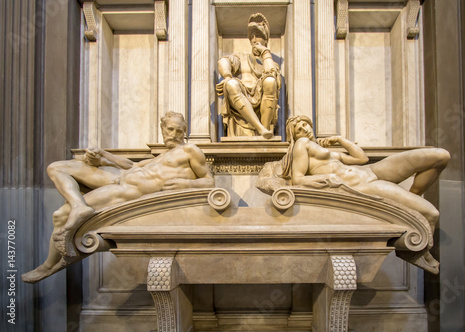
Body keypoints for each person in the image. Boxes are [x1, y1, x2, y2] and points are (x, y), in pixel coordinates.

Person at [22, 112, 215, 283]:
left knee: (61, 215)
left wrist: (187, 184)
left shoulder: (190, 150)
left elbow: (209, 181)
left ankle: (48, 265)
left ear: (185, 132)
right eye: (169, 129)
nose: (173, 135)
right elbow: (131, 166)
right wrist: (103, 157)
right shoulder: (161, 157)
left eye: (178, 131)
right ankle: (78, 205)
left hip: (127, 191)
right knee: (56, 167)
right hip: (118, 179)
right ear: (162, 129)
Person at [280, 115, 450, 272]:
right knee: (431, 214)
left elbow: (362, 159)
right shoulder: (301, 144)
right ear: (294, 136)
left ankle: (411, 204)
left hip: (371, 170)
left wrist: (340, 139)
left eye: (305, 124)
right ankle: (421, 251)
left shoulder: (324, 151)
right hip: (362, 185)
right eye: (299, 129)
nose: (305, 129)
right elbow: (298, 179)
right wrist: (327, 177)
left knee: (440, 156)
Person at [216, 13, 281, 139]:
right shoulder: (241, 56)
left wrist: (265, 52)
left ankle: (265, 128)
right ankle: (260, 129)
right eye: (252, 36)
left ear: (266, 40)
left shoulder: (270, 62)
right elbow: (223, 62)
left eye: (259, 36)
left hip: (262, 96)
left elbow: (272, 74)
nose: (255, 39)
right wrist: (228, 75)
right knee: (231, 84)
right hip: (241, 96)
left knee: (270, 81)